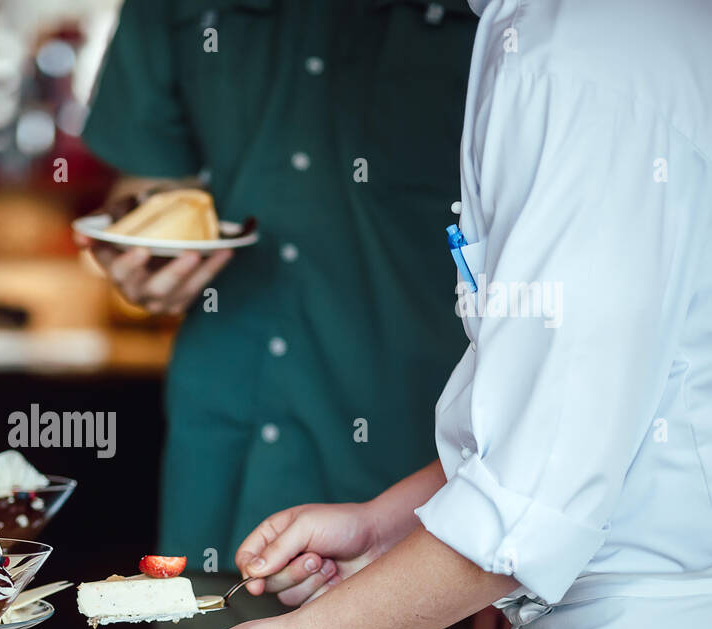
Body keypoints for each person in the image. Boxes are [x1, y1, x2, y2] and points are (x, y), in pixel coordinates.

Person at [149, 0, 712, 629]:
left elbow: (538, 492)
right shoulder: (552, 32)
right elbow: (577, 411)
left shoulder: (584, 51)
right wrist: (389, 524)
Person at [81, 0, 477, 568]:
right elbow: (152, 180)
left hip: (421, 491)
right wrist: (142, 258)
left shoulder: (515, 16)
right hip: (218, 469)